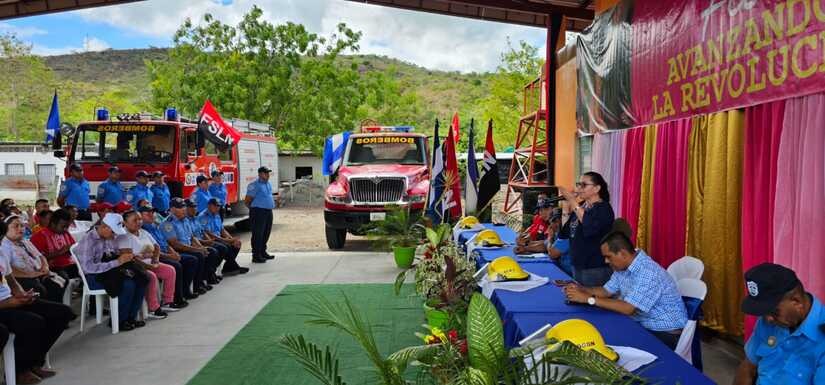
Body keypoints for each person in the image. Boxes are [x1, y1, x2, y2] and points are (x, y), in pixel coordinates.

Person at [563, 231, 687, 349]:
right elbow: (606, 291)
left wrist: (589, 299)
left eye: (608, 257)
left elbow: (628, 308)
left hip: (665, 332)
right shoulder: (623, 267)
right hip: (642, 323)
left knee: (608, 343)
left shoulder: (648, 272)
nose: (606, 261)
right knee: (600, 333)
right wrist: (582, 289)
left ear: (622, 253)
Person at [0, 219, 74, 384]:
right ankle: (20, 371)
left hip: (10, 299)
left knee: (63, 313)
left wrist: (21, 294)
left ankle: (34, 361)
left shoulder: (0, 252)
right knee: (33, 322)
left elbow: (10, 279)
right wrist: (11, 302)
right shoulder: (5, 247)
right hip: (3, 306)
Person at [733, 263, 825, 385]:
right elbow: (748, 367)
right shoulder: (771, 320)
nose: (768, 319)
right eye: (764, 312)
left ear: (796, 301)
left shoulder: (822, 338)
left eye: (774, 312)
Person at [74, 213, 147, 331]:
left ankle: (130, 317)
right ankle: (119, 320)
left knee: (141, 279)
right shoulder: (89, 240)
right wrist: (117, 262)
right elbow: (87, 268)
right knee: (127, 285)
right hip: (93, 277)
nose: (115, 236)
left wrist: (127, 256)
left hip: (108, 271)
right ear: (105, 227)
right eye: (113, 232)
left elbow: (112, 254)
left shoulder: (107, 237)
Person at [116, 210, 176, 319]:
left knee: (170, 270)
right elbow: (130, 258)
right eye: (134, 220)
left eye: (140, 219)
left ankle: (167, 301)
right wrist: (149, 266)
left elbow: (156, 247)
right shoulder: (123, 236)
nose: (138, 222)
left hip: (150, 262)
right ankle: (153, 308)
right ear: (125, 222)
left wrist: (156, 259)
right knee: (151, 276)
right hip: (136, 266)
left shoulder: (143, 232)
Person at [559, 171, 615, 286]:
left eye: (584, 185)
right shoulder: (581, 207)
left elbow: (589, 226)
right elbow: (566, 232)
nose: (579, 188)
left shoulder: (603, 208)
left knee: (590, 296)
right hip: (577, 265)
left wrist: (572, 201)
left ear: (597, 188)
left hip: (594, 267)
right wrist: (566, 207)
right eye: (579, 184)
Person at [2, 216, 67, 304]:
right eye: (16, 226)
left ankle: (58, 307)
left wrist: (45, 267)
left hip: (37, 273)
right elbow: (8, 269)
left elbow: (41, 256)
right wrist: (30, 275)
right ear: (5, 229)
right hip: (21, 278)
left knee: (60, 279)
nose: (20, 228)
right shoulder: (3, 246)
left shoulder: (25, 241)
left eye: (22, 226)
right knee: (42, 288)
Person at [140, 205, 192, 308]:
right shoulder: (143, 230)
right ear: (140, 216)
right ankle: (176, 298)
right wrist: (170, 256)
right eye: (147, 213)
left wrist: (173, 253)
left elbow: (165, 244)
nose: (151, 215)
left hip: (164, 253)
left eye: (152, 212)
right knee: (177, 266)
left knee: (190, 260)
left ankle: (184, 291)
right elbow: (153, 251)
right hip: (155, 257)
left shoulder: (154, 227)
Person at [161, 198, 213, 297]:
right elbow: (175, 244)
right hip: (177, 250)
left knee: (207, 252)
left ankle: (198, 284)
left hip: (188, 247)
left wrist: (201, 247)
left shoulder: (185, 220)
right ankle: (186, 290)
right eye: (180, 207)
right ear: (172, 209)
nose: (183, 209)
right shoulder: (168, 223)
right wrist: (197, 249)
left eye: (184, 207)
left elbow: (192, 237)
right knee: (195, 258)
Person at [199, 198, 248, 276]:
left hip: (218, 238)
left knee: (237, 243)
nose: (217, 208)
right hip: (209, 239)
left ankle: (229, 268)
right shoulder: (203, 216)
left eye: (218, 206)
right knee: (225, 247)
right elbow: (208, 233)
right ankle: (233, 267)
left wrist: (231, 239)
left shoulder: (217, 215)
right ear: (209, 206)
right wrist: (225, 240)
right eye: (215, 206)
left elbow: (222, 230)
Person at [29, 208, 78, 280]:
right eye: (63, 226)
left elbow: (74, 247)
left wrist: (73, 249)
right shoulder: (39, 236)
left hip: (71, 264)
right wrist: (60, 252)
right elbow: (36, 259)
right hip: (53, 268)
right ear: (53, 224)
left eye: (67, 227)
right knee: (65, 277)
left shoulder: (65, 233)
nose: (65, 229)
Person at [184, 199, 224, 285]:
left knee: (220, 248)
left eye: (195, 207)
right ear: (185, 208)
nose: (194, 209)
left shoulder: (195, 219)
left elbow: (203, 232)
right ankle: (203, 278)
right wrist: (202, 245)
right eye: (191, 207)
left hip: (200, 242)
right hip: (193, 244)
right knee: (212, 251)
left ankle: (209, 274)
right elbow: (192, 238)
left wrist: (208, 241)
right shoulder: (186, 221)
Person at [245, 166, 275, 263]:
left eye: (268, 173)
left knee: (266, 232)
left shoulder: (268, 184)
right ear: (260, 174)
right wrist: (255, 209)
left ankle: (262, 251)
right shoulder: (254, 185)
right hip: (258, 212)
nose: (268, 175)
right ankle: (256, 255)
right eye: (266, 173)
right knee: (258, 233)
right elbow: (247, 200)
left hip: (268, 211)